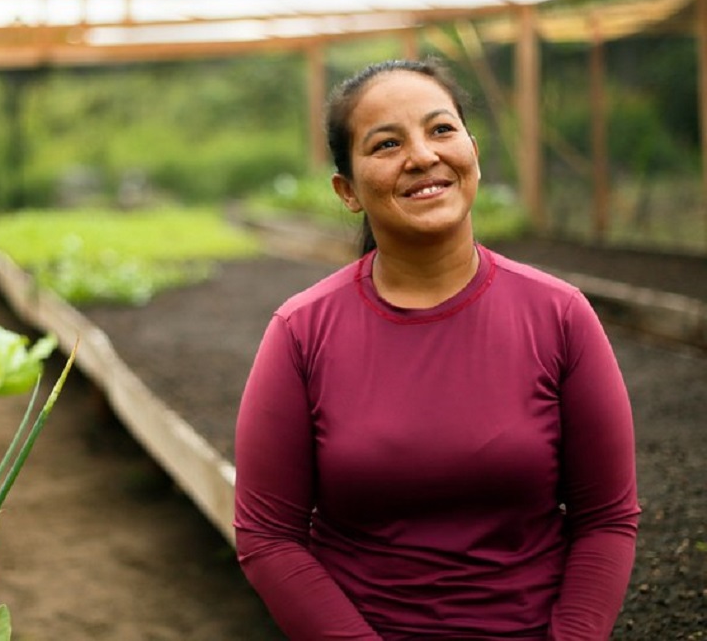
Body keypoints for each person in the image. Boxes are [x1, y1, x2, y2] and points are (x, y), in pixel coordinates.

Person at [232, 57, 640, 640]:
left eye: (441, 129)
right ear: (346, 190)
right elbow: (267, 536)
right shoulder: (302, 331)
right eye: (386, 143)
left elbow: (606, 517)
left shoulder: (559, 315)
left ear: (472, 149)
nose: (423, 155)